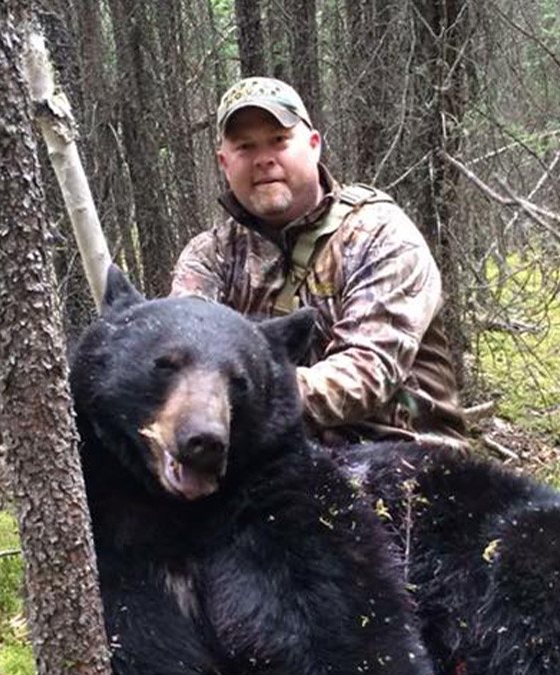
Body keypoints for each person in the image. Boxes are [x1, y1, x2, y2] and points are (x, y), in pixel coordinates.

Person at [170, 76, 467, 445]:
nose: (264, 160)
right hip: (275, 457)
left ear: (313, 145)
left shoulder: (379, 234)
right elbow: (184, 353)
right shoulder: (210, 256)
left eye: (279, 141)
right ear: (224, 163)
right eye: (245, 147)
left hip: (401, 456)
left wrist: (233, 395)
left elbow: (368, 373)